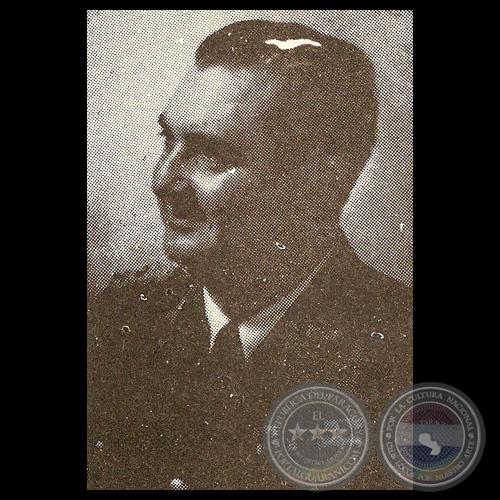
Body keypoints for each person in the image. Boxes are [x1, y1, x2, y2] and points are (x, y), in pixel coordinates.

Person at [87, 20, 412, 490]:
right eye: (169, 141)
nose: (162, 179)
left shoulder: (399, 359)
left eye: (213, 156)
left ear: (322, 179)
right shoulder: (113, 326)